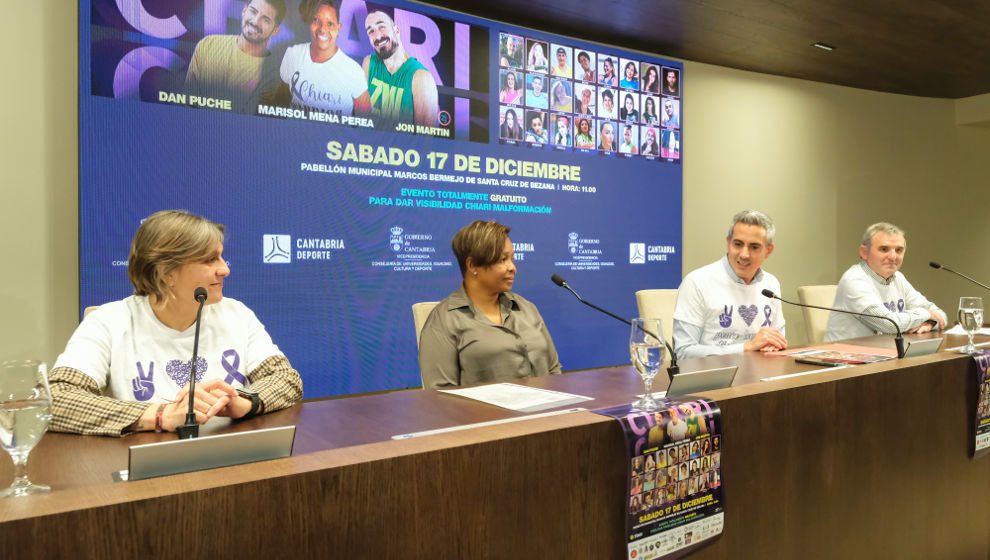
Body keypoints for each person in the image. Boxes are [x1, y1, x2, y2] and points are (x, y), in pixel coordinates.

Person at [48, 211, 303, 436]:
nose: (225, 269)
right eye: (209, 260)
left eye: (221, 258)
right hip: (145, 471)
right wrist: (161, 415)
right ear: (166, 273)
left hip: (228, 458)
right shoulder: (108, 321)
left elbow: (286, 379)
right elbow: (56, 399)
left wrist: (244, 401)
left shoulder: (237, 314)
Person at [418, 221, 562, 388]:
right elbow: (440, 395)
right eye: (503, 259)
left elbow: (553, 369)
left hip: (548, 410)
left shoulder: (526, 308)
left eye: (512, 259)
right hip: (486, 414)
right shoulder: (443, 321)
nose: (512, 267)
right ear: (472, 265)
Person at [673, 210, 787, 360]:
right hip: (714, 380)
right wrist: (747, 348)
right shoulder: (697, 282)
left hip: (762, 377)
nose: (744, 254)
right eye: (738, 244)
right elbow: (683, 352)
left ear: (768, 251)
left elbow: (778, 342)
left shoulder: (771, 284)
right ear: (728, 243)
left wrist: (774, 346)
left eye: (754, 247)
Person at [825, 223, 947, 342]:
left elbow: (941, 315)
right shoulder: (854, 279)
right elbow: (889, 324)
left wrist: (930, 322)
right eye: (884, 249)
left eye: (899, 250)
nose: (893, 257)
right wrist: (925, 314)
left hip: (885, 354)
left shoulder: (898, 278)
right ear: (864, 252)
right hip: (847, 358)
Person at [185, 0, 286, 114]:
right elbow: (187, 103)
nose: (255, 22)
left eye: (265, 20)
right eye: (253, 12)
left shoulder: (274, 75)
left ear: (275, 31)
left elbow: (253, 124)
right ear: (244, 11)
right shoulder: (207, 44)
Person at [277, 0, 369, 118]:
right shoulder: (293, 54)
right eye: (316, 20)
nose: (322, 29)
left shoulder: (353, 71)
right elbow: (281, 102)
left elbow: (366, 120)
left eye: (330, 23)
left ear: (338, 28)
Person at [363, 10, 438, 127]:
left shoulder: (421, 77)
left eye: (382, 27)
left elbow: (425, 140)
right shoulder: (369, 64)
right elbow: (362, 119)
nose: (377, 35)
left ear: (396, 30)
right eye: (371, 31)